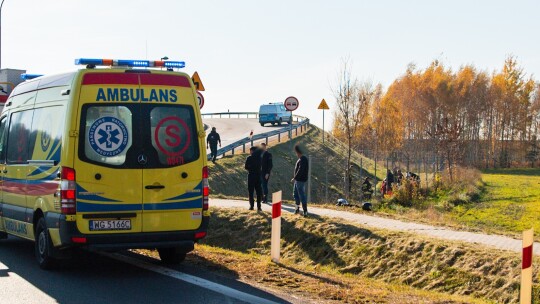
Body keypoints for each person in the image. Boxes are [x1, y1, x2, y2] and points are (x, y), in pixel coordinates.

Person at [291, 144, 309, 216]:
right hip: (297, 181)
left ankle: (305, 211)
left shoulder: (303, 159)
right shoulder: (301, 159)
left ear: (299, 152)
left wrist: (295, 178)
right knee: (295, 194)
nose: (296, 154)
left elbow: (300, 170)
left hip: (300, 180)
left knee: (301, 195)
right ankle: (297, 209)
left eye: (296, 152)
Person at [245, 147, 263, 211]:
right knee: (258, 191)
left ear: (252, 151)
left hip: (251, 175)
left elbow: (246, 167)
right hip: (258, 176)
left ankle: (251, 206)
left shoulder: (249, 158)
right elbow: (261, 166)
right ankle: (259, 206)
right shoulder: (260, 158)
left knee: (251, 192)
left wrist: (250, 168)